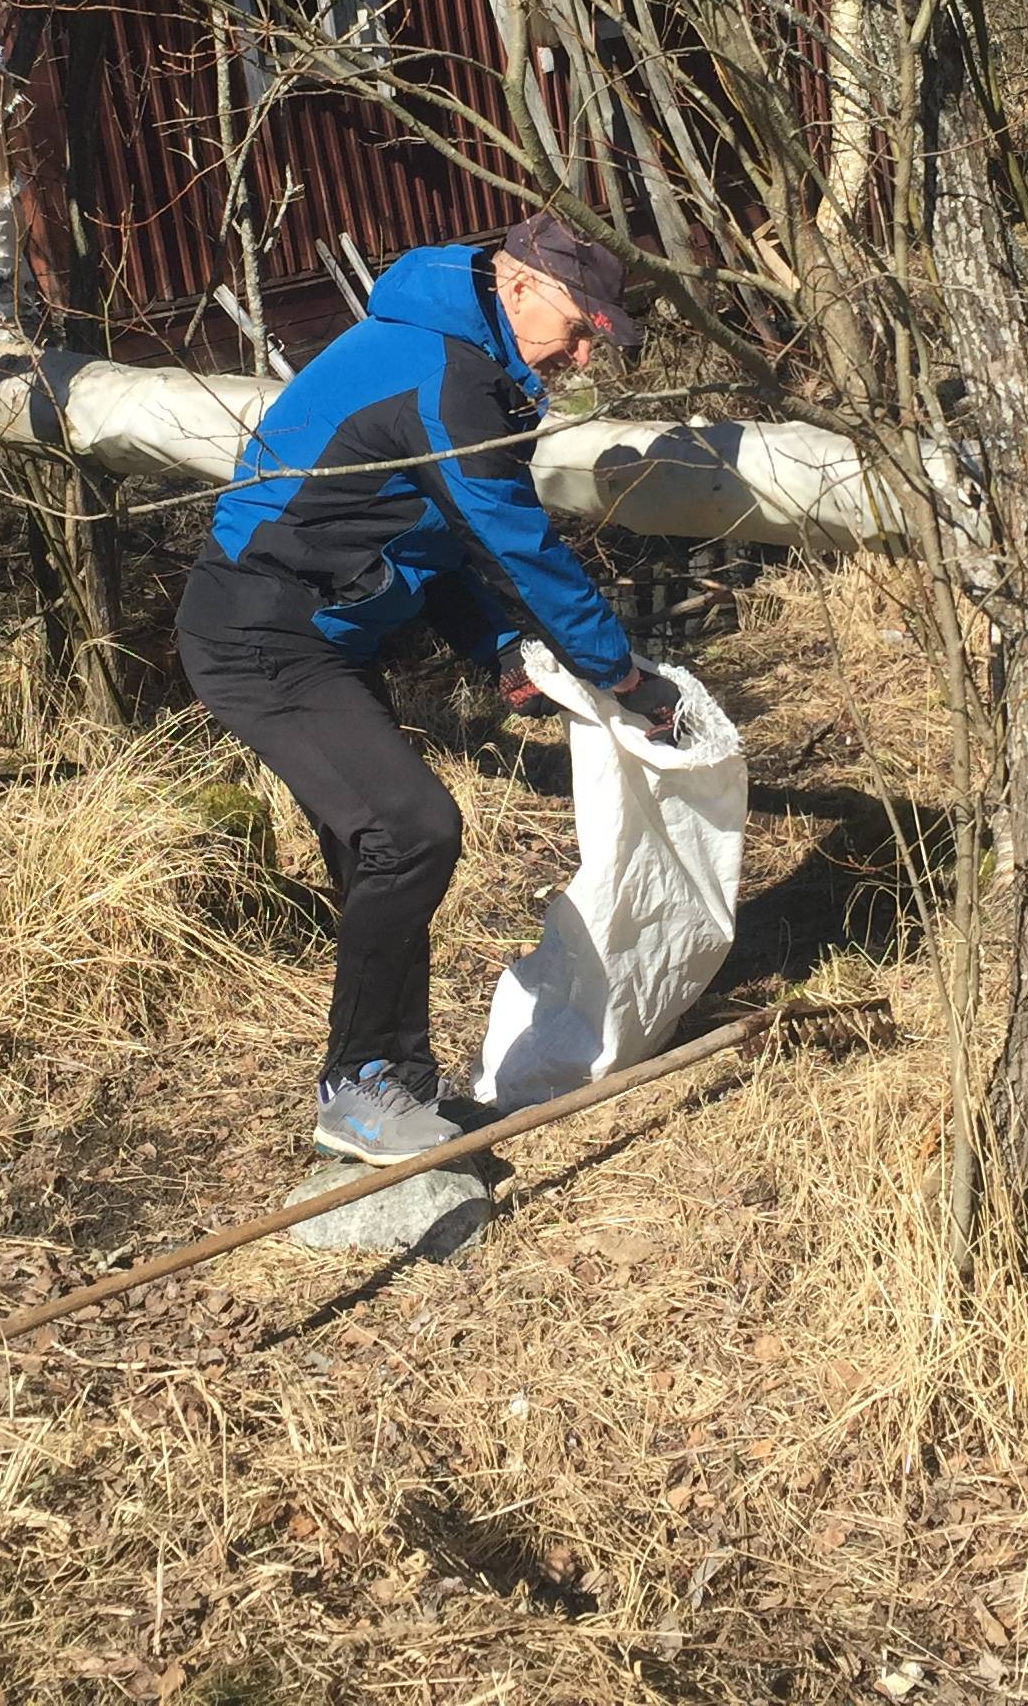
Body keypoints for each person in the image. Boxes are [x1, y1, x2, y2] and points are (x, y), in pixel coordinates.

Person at [180, 213, 681, 1164]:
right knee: (413, 834)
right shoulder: (445, 373)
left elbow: (438, 533)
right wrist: (618, 672)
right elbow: (511, 539)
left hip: (319, 635)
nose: (580, 356)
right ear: (521, 284)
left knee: (382, 854)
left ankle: (393, 1088)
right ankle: (357, 1086)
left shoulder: (473, 360)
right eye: (577, 330)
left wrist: (493, 645)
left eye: (593, 343)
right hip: (259, 632)